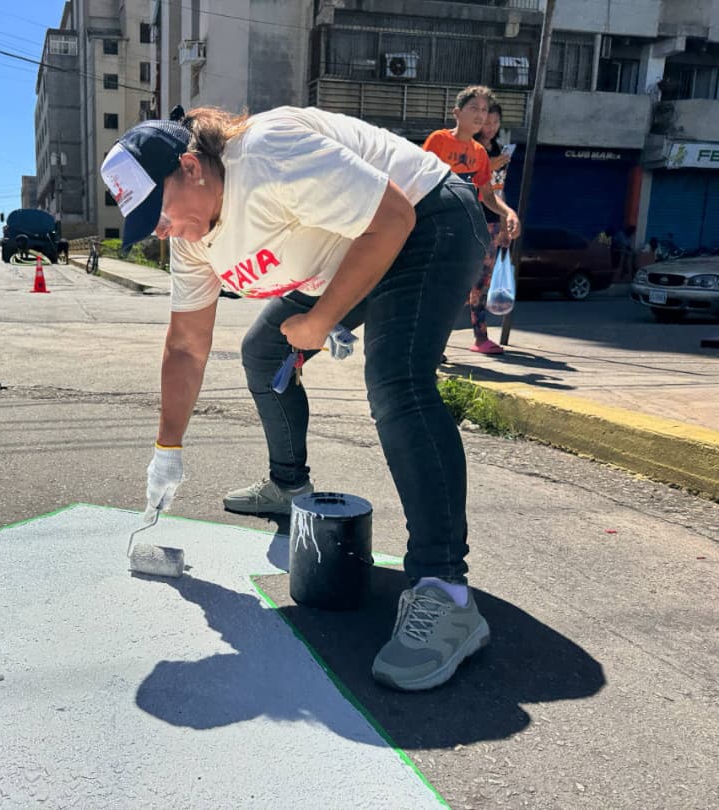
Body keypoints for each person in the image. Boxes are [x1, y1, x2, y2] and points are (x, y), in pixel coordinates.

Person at [101, 105, 502, 691]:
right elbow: (187, 344)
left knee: (397, 380)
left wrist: (324, 319)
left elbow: (391, 218)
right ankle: (289, 485)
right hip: (352, 253)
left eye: (157, 212)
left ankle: (445, 593)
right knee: (264, 351)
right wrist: (168, 447)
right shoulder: (193, 243)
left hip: (428, 218)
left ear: (192, 167)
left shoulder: (268, 154)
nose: (160, 231)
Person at [423, 87, 521, 355]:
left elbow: (487, 195)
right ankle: (430, 345)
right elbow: (421, 182)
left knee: (467, 286)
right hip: (437, 228)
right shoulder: (439, 141)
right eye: (474, 109)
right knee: (436, 288)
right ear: (457, 112)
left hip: (467, 230)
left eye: (485, 110)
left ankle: (452, 342)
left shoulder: (479, 152)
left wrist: (508, 213)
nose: (481, 115)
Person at [472, 102, 513, 346]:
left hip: (491, 222)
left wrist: (504, 220)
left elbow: (498, 189)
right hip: (470, 220)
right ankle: (438, 342)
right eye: (487, 121)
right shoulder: (470, 148)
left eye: (496, 122)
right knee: (458, 282)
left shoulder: (499, 149)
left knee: (482, 282)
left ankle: (481, 336)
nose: (491, 127)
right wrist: (488, 166)